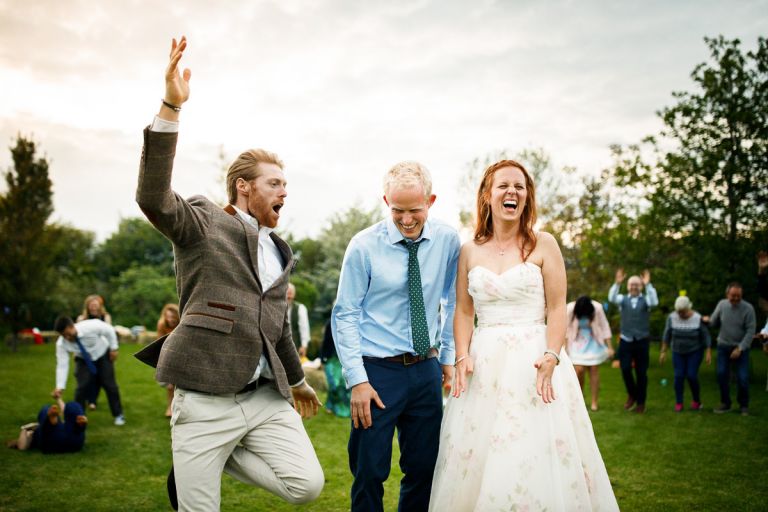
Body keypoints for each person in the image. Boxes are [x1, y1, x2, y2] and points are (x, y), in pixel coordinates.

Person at [133, 37, 323, 511]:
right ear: (243, 186)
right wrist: (171, 107)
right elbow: (153, 197)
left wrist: (298, 382)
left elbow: (274, 329)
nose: (284, 191)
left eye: (286, 184)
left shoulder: (281, 251)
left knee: (307, 485)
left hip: (264, 399)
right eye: (274, 183)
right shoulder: (203, 222)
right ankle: (203, 449)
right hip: (204, 398)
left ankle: (228, 450)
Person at [429, 159, 618, 511]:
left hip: (537, 361)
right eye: (503, 185)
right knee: (480, 453)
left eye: (519, 186)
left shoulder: (544, 244)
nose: (511, 191)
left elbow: (557, 308)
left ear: (527, 196)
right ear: (487, 195)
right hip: (484, 365)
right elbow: (464, 310)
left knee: (535, 448)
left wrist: (552, 354)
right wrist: (461, 354)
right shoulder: (469, 250)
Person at [332, 160, 460, 512]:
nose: (406, 219)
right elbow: (345, 314)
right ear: (385, 201)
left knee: (423, 470)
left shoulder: (448, 240)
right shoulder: (363, 246)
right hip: (377, 375)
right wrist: (357, 380)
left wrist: (446, 358)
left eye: (414, 210)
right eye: (397, 210)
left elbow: (453, 301)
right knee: (370, 471)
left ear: (431, 201)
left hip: (425, 370)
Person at [52, 316, 125, 426]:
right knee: (81, 387)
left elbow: (109, 330)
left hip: (102, 354)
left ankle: (118, 415)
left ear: (72, 326)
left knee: (110, 385)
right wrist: (60, 386)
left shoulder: (91, 326)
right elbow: (62, 365)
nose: (67, 337)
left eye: (68, 333)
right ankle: (78, 417)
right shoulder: (61, 344)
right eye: (63, 335)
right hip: (82, 359)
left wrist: (114, 348)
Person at [608, 268, 658, 414]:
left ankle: (641, 402)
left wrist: (648, 285)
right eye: (631, 284)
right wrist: (617, 284)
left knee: (642, 373)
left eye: (637, 284)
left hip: (642, 341)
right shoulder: (622, 299)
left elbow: (655, 302)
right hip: (626, 339)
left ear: (641, 286)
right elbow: (611, 298)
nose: (634, 287)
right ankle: (632, 394)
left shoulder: (646, 300)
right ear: (628, 286)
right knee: (624, 369)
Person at [708, 282, 756, 416]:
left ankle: (744, 405)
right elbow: (713, 321)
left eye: (738, 296)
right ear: (727, 294)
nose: (735, 298)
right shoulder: (722, 305)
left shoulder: (748, 309)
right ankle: (725, 403)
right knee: (721, 374)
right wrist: (705, 320)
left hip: (741, 348)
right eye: (732, 296)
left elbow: (750, 331)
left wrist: (740, 348)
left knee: (743, 377)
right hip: (723, 346)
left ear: (742, 295)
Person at [659, 296, 711, 412]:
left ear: (688, 308)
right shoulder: (672, 317)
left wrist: (708, 352)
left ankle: (696, 401)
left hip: (695, 351)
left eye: (683, 312)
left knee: (691, 375)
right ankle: (679, 402)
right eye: (679, 312)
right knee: (678, 376)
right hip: (677, 351)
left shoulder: (697, 318)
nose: (680, 314)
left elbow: (705, 335)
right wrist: (663, 352)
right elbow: (667, 335)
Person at [565, 296, 614, 411]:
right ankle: (579, 398)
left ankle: (594, 402)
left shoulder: (597, 308)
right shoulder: (570, 308)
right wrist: (564, 346)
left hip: (593, 341)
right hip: (576, 341)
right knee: (579, 370)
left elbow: (605, 326)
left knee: (594, 370)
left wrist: (610, 347)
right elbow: (565, 328)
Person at [7, 400, 87, 453]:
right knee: (72, 410)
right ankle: (78, 420)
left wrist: (24, 428)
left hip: (50, 443)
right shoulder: (71, 428)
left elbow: (22, 447)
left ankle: (50, 419)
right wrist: (59, 399)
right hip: (74, 443)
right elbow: (68, 412)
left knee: (45, 410)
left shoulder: (37, 433)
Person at [76, 294, 112, 411]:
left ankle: (93, 400)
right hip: (86, 354)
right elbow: (77, 338)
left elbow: (109, 333)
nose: (93, 307)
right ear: (87, 306)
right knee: (87, 378)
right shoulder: (81, 319)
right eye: (91, 305)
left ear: (100, 306)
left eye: (96, 305)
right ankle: (88, 401)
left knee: (100, 378)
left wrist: (111, 350)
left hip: (102, 352)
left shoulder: (105, 317)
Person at [320, 319, 351, 418]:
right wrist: (323, 358)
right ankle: (331, 406)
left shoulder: (352, 322)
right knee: (334, 384)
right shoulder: (331, 323)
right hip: (332, 358)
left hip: (345, 358)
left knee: (343, 385)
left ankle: (343, 408)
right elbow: (326, 341)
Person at [156, 303, 180, 417]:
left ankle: (179, 407)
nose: (170, 319)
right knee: (170, 386)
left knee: (178, 385)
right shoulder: (162, 324)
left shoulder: (182, 324)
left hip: (181, 354)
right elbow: (160, 343)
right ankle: (170, 407)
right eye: (168, 316)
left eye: (173, 317)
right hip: (168, 355)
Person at [287, 283, 311, 358]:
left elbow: (304, 328)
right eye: (287, 293)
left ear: (294, 295)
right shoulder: (277, 307)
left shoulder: (300, 308)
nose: (289, 296)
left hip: (294, 345)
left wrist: (304, 345)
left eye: (291, 293)